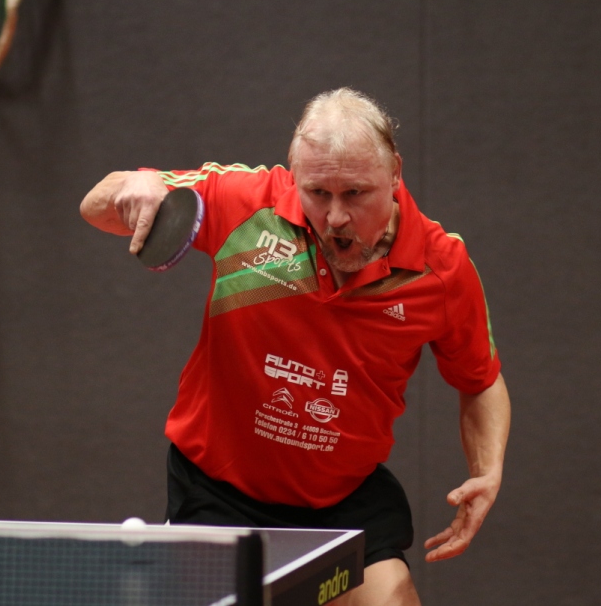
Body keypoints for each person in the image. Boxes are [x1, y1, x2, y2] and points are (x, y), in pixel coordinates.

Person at [80, 88, 510, 605]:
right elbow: (96, 206)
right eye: (318, 193)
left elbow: (479, 381)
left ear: (395, 172)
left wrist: (487, 471)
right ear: (293, 174)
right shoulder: (245, 203)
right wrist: (138, 185)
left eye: (355, 193)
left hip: (343, 502)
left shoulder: (441, 269)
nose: (336, 216)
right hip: (218, 496)